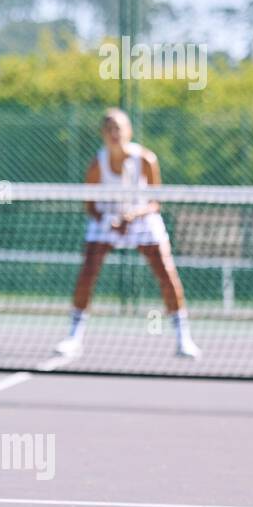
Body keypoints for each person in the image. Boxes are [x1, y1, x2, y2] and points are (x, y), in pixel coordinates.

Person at [55, 108, 201, 359]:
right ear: (102, 134)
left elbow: (157, 201)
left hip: (143, 221)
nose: (114, 133)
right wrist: (109, 221)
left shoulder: (146, 160)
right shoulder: (96, 165)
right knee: (87, 272)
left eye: (118, 128)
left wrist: (133, 216)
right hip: (106, 221)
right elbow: (89, 205)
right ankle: (74, 337)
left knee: (167, 274)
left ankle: (183, 339)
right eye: (109, 129)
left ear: (129, 132)